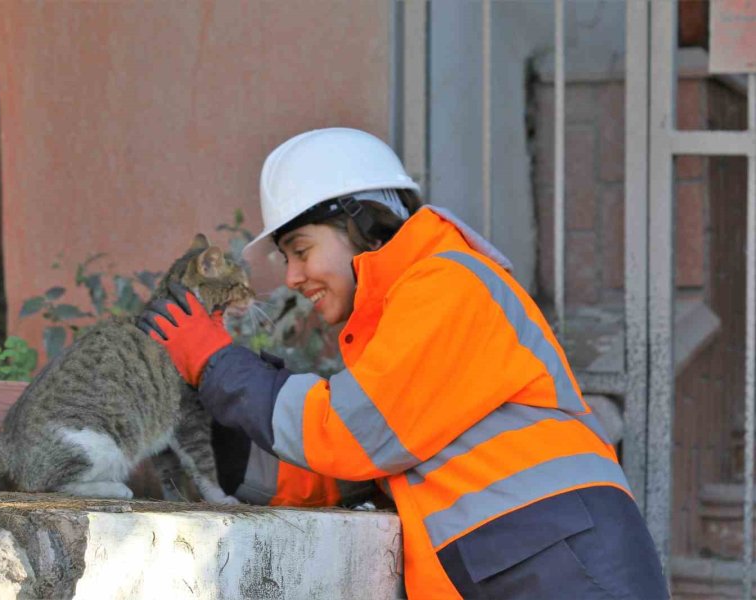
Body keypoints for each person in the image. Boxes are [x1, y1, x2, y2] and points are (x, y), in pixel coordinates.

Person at [138, 127, 669, 599]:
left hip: (560, 563)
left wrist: (216, 363)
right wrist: (213, 434)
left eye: (301, 249)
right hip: (540, 556)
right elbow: (339, 469)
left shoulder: (446, 283)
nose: (293, 277)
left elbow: (347, 432)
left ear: (364, 223)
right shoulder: (406, 318)